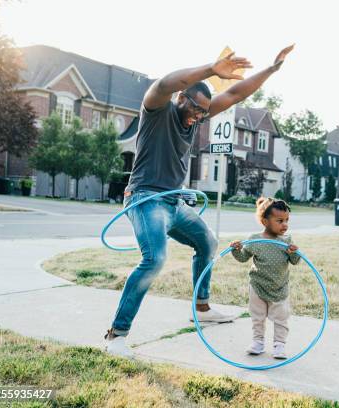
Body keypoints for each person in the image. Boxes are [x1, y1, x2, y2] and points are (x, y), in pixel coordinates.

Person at [104, 45, 294, 358]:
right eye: (195, 109)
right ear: (182, 98)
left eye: (204, 112)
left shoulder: (196, 117)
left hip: (175, 202)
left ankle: (201, 306)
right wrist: (210, 69)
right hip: (145, 198)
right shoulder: (156, 111)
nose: (199, 116)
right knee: (154, 260)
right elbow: (165, 83)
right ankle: (116, 335)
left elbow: (233, 95)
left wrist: (271, 69)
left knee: (207, 242)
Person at [229, 197, 300, 359]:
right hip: (257, 286)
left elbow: (295, 262)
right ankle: (258, 342)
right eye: (280, 220)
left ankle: (279, 345)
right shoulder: (255, 239)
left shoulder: (286, 241)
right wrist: (235, 249)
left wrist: (294, 253)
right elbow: (242, 258)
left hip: (279, 287)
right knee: (257, 317)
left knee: (281, 318)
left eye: (287, 220)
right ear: (265, 221)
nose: (285, 224)